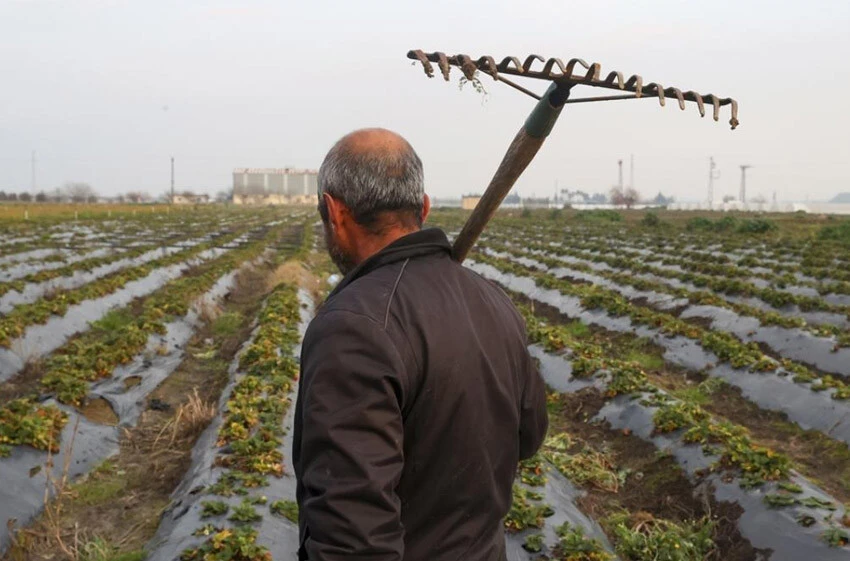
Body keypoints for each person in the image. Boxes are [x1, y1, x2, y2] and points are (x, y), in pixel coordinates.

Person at [293, 128, 548, 561]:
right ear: (424, 208)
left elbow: (353, 539)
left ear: (334, 212)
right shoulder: (493, 301)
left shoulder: (352, 326)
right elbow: (529, 434)